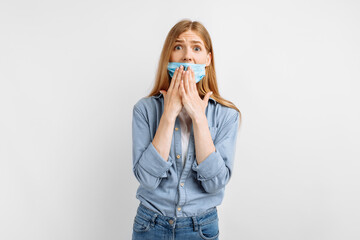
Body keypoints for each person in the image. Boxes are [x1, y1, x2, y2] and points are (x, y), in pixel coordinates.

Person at [131, 19, 241, 240]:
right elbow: (147, 179)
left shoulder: (227, 115)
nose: (187, 56)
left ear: (208, 59)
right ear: (168, 56)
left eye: (196, 48)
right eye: (178, 47)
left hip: (200, 229)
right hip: (149, 226)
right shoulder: (144, 109)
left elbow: (214, 184)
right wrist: (169, 114)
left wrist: (199, 119)